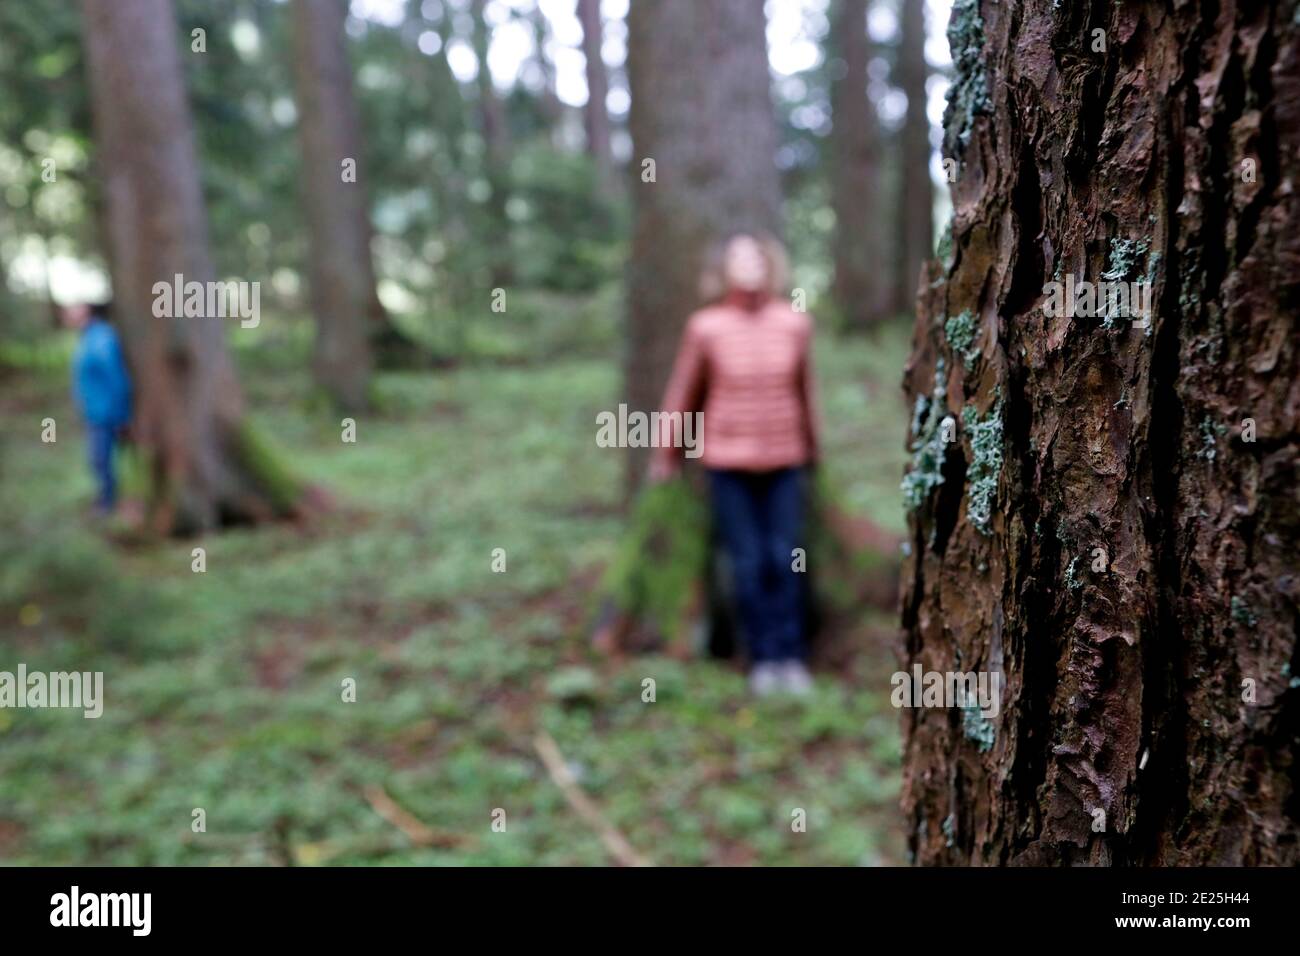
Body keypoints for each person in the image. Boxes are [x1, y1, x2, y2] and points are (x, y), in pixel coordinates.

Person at [650, 234, 821, 696]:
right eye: (737, 258)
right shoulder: (706, 326)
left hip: (785, 460)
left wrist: (814, 450)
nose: (748, 265)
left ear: (770, 265)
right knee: (746, 563)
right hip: (727, 464)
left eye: (756, 257)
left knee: (784, 559)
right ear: (724, 270)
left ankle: (791, 656)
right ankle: (762, 658)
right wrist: (666, 453)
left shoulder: (794, 323)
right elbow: (683, 393)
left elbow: (805, 393)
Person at [67, 301, 133, 514]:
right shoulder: (87, 338)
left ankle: (108, 503)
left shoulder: (101, 338)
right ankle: (107, 499)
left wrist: (122, 415)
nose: (67, 316)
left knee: (101, 458)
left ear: (85, 312)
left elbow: (116, 377)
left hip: (106, 413)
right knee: (97, 459)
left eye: (71, 311)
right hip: (94, 412)